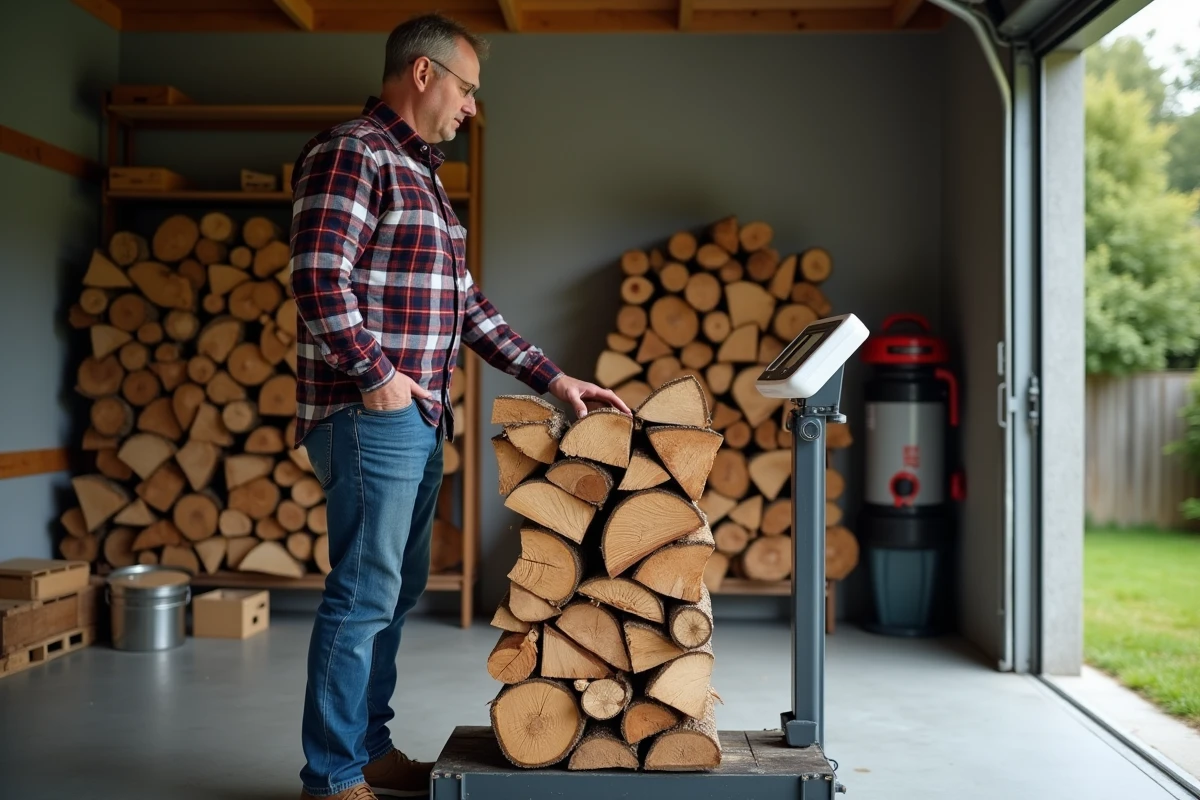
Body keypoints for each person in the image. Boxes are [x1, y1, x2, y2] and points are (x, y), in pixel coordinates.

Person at [287, 13, 630, 800]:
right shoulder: (354, 152)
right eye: (467, 88)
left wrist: (553, 380)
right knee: (364, 593)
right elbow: (315, 277)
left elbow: (468, 308)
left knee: (395, 593)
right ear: (422, 74)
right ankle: (332, 777)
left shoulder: (426, 176)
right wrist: (376, 376)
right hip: (370, 414)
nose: (472, 106)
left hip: (415, 417)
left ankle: (367, 752)